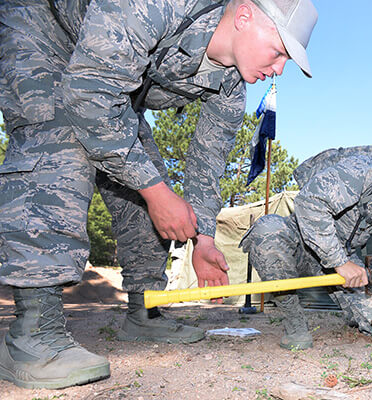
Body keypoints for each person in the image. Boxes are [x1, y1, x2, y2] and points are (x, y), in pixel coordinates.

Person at [0, 0, 317, 389]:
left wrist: (203, 240)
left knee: (150, 178)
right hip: (49, 32)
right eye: (280, 50)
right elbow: (89, 94)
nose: (279, 68)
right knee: (60, 137)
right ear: (245, 15)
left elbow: (206, 167)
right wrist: (156, 193)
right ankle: (33, 335)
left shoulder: (231, 88)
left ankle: (143, 312)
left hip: (111, 79)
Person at [240, 149, 372, 350]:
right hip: (302, 241)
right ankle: (294, 322)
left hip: (342, 262)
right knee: (267, 230)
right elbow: (310, 202)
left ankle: (353, 312)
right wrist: (339, 262)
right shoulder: (368, 169)